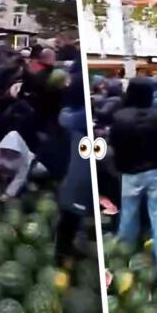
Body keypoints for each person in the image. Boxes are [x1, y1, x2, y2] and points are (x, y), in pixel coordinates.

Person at [110, 78, 157, 269]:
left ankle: (124, 251)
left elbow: (114, 143)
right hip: (155, 171)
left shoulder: (119, 117)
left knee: (129, 212)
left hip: (130, 172)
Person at [56, 75, 93, 266]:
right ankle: (64, 254)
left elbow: (65, 117)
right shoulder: (83, 120)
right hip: (81, 182)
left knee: (69, 218)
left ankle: (63, 253)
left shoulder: (76, 121)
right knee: (73, 217)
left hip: (76, 181)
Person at [0, 131, 35, 201]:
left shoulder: (25, 158)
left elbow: (19, 178)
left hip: (25, 172)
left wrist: (8, 194)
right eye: (6, 150)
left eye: (11, 151)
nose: (8, 152)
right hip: (3, 173)